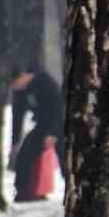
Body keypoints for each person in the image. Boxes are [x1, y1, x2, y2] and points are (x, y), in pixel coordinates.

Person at [9, 64, 66, 202]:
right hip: (42, 125)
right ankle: (22, 193)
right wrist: (15, 142)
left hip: (61, 124)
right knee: (24, 155)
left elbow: (58, 108)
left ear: (24, 76)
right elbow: (18, 116)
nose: (16, 88)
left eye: (16, 84)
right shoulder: (20, 91)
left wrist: (53, 133)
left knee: (65, 159)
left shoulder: (45, 82)